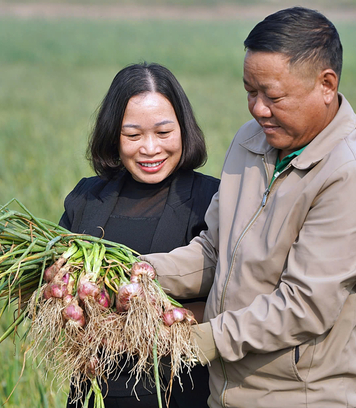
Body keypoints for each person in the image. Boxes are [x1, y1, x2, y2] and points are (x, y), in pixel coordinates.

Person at [143, 7, 356, 408]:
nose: (258, 109)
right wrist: (141, 273)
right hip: (226, 394)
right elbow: (214, 249)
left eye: (273, 96)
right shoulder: (251, 142)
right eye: (249, 92)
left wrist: (197, 341)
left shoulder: (350, 178)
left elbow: (303, 305)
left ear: (326, 85)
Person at [60, 62, 218, 408]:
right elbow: (54, 289)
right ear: (113, 135)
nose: (150, 149)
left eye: (163, 133)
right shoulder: (86, 199)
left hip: (183, 394)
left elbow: (236, 297)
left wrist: (152, 322)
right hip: (94, 393)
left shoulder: (212, 200)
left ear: (184, 131)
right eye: (133, 135)